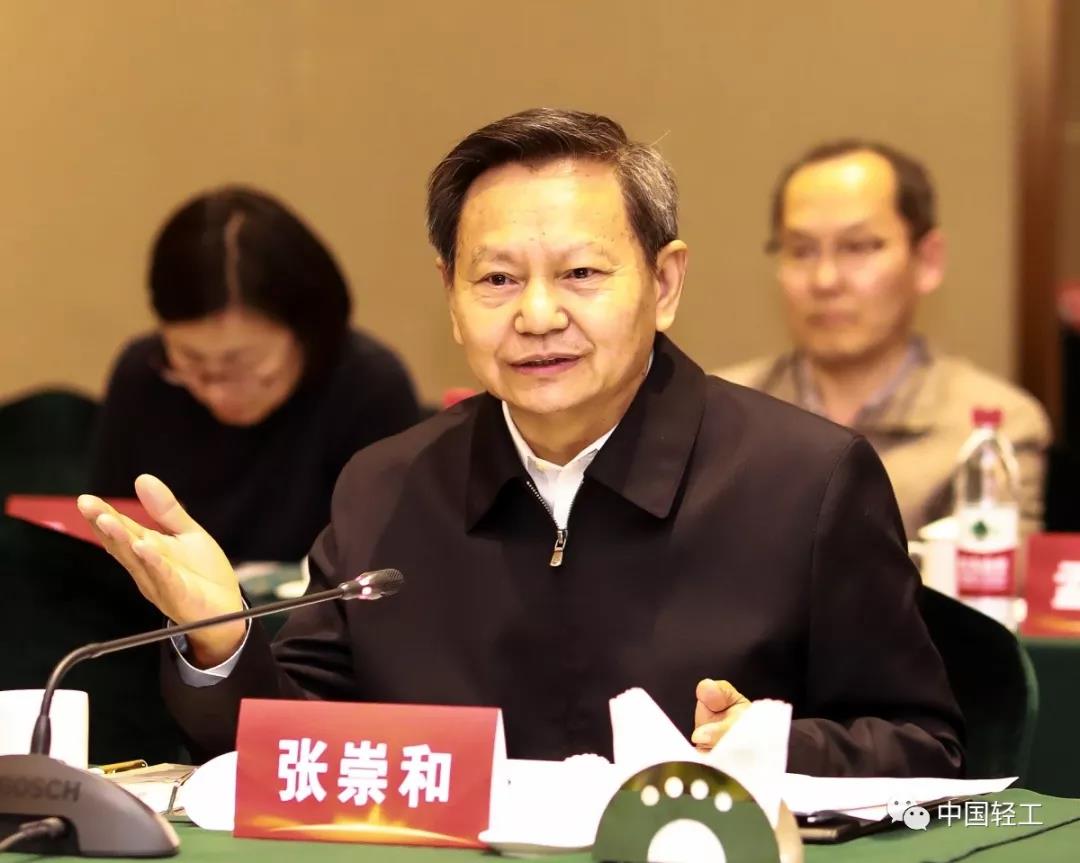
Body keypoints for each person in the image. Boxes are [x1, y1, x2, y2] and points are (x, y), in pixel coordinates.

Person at [78, 111, 963, 778]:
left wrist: (767, 745)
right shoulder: (386, 485)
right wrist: (221, 640)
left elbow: (922, 743)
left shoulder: (804, 479)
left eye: (581, 272)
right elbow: (298, 750)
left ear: (664, 283)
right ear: (451, 296)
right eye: (498, 278)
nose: (538, 315)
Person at [716, 140, 1051, 538]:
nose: (825, 280)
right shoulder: (721, 411)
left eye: (858, 247)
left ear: (927, 260)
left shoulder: (990, 428)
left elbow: (990, 573)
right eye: (801, 250)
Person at [90, 186, 421, 564]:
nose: (216, 393)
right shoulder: (143, 377)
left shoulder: (369, 387)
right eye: (191, 361)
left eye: (240, 364)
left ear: (305, 330)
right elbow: (106, 547)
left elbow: (393, 563)